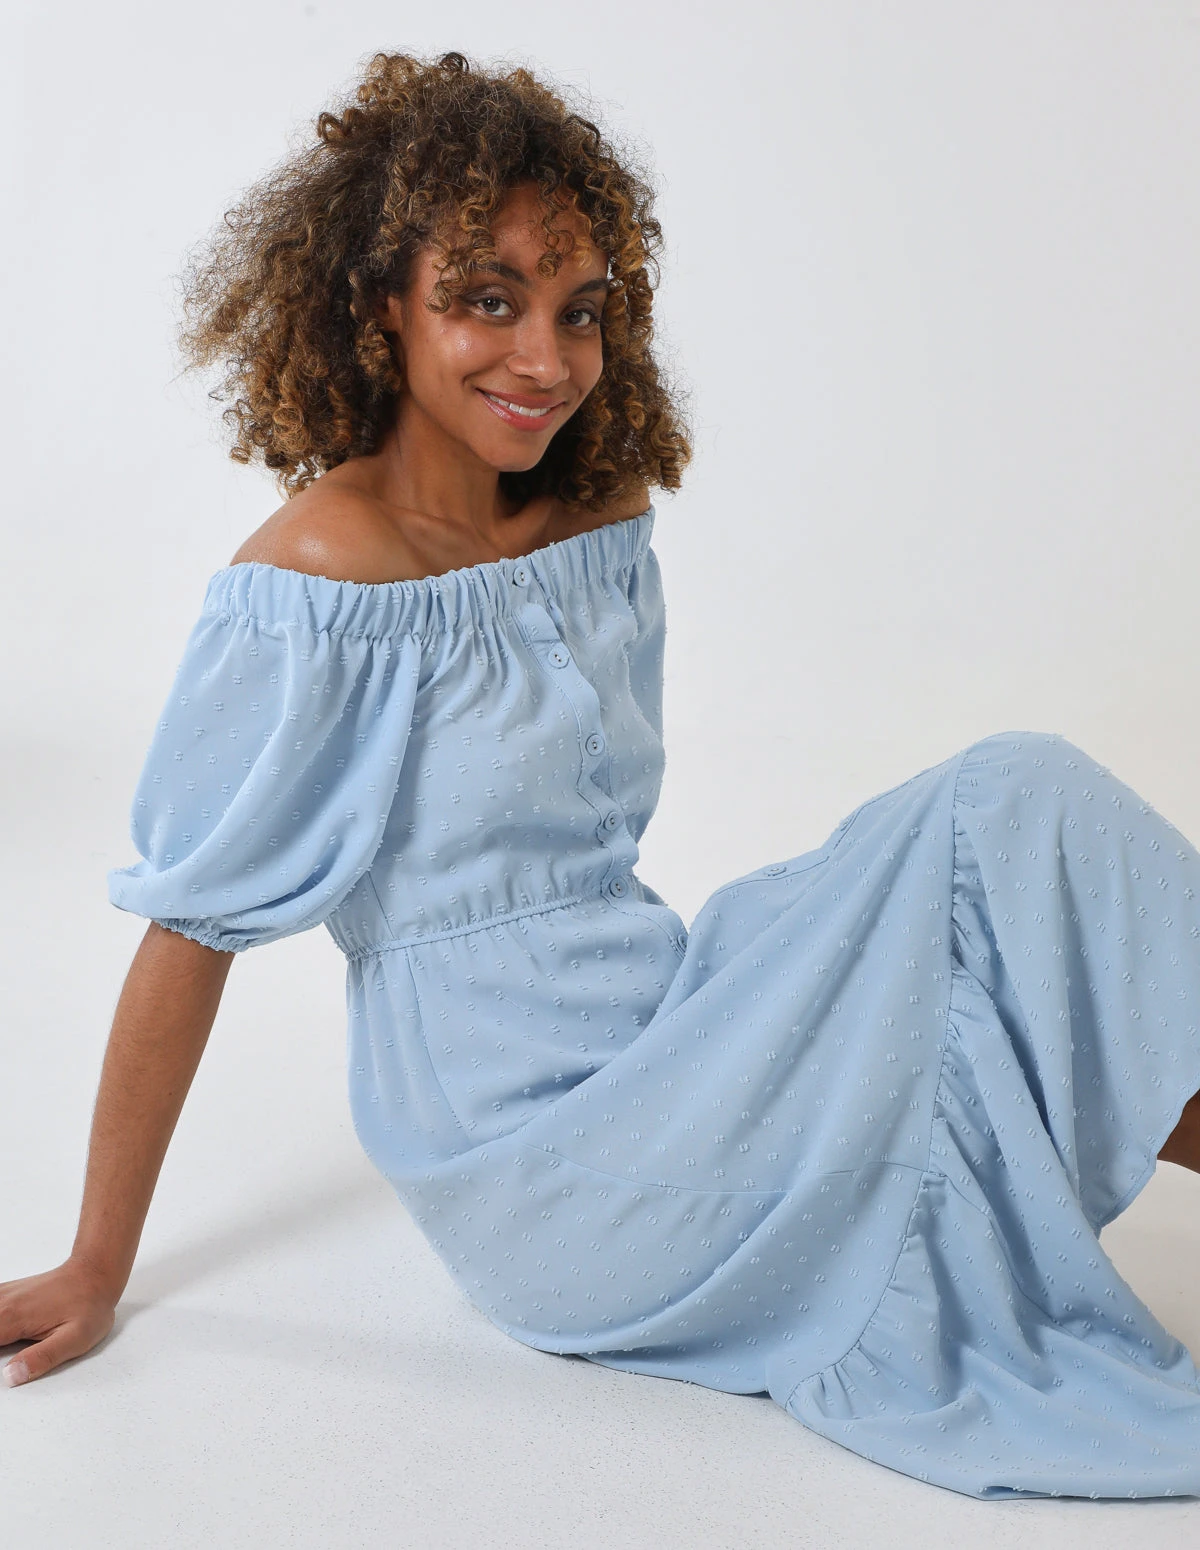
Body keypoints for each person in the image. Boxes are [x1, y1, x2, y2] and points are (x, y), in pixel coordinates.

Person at [2, 48, 1200, 1501]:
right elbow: (191, 928)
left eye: (579, 309)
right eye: (486, 299)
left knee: (1019, 823)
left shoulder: (596, 518)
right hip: (538, 1163)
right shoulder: (318, 580)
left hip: (669, 1017)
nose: (545, 360)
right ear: (381, 307)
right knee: (1003, 802)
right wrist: (96, 1261)